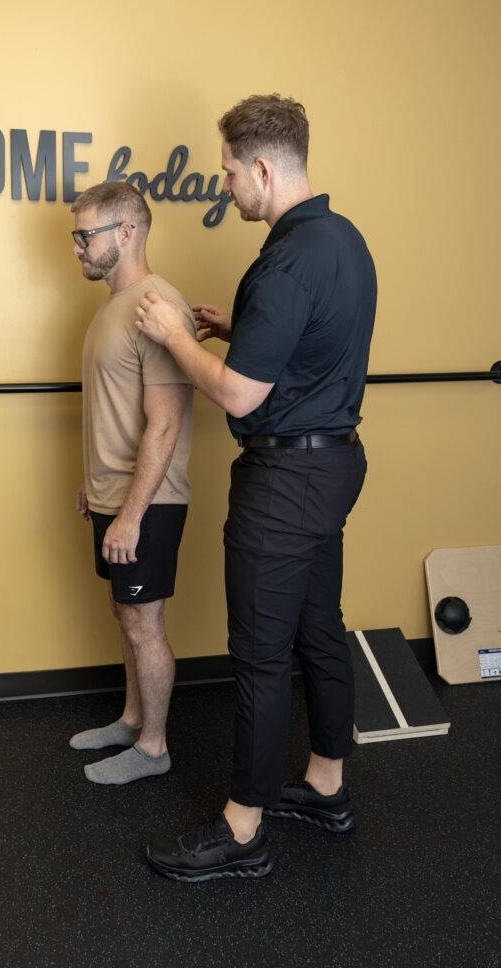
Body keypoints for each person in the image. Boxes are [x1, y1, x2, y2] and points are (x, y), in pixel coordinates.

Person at [135, 93, 377, 881]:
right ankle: (326, 785)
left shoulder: (285, 259)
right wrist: (243, 334)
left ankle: (241, 831)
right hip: (332, 465)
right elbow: (314, 348)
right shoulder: (343, 241)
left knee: (260, 655)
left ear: (263, 170)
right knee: (317, 629)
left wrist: (175, 337)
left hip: (284, 480)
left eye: (229, 172)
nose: (225, 186)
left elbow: (239, 395)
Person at [69, 181, 195, 786]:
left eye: (85, 236)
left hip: (147, 502)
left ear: (126, 232)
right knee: (126, 613)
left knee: (144, 622)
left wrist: (130, 515)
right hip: (113, 494)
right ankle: (131, 720)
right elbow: (114, 410)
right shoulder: (113, 307)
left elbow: (165, 425)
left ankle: (153, 746)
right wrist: (93, 485)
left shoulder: (156, 305)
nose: (77, 248)